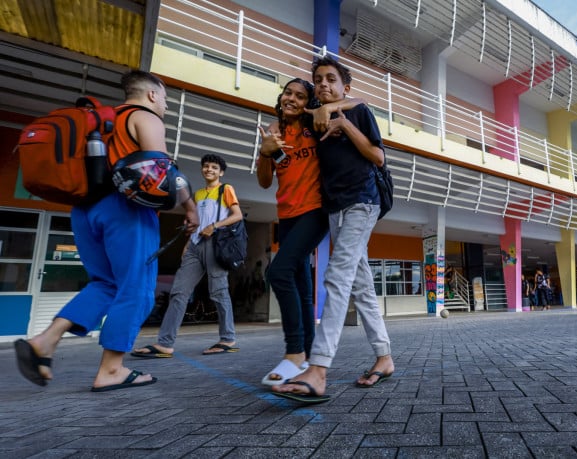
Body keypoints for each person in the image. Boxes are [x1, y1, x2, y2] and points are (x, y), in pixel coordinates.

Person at [14, 70, 199, 391]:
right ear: (153, 94)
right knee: (137, 288)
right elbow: (161, 173)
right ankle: (111, 370)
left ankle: (44, 342)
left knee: (106, 284)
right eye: (166, 99)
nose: (166, 107)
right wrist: (191, 207)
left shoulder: (103, 123)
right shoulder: (145, 117)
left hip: (85, 210)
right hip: (125, 210)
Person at [271, 56, 394, 403]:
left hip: (363, 202)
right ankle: (384, 358)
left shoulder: (356, 112)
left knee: (336, 278)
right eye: (318, 80)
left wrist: (344, 124)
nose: (324, 84)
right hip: (335, 209)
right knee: (362, 285)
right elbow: (294, 115)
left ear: (345, 86)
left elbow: (378, 156)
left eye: (331, 79)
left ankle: (318, 369)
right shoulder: (315, 117)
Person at [256, 78, 364, 386]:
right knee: (301, 287)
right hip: (287, 214)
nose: (292, 99)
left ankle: (294, 354)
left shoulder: (314, 123)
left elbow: (359, 103)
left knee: (278, 273)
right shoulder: (273, 131)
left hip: (316, 210)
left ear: (309, 102)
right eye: (288, 93)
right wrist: (265, 152)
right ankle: (307, 355)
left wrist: (327, 106)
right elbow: (265, 181)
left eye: (301, 96)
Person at [132, 154, 243, 358]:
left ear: (221, 172)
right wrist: (187, 243)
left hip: (214, 244)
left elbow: (237, 215)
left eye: (214, 167)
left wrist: (213, 226)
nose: (209, 170)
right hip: (194, 245)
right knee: (178, 292)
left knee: (218, 292)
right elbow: (195, 222)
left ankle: (228, 339)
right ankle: (165, 343)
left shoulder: (225, 189)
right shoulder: (198, 194)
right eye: (206, 166)